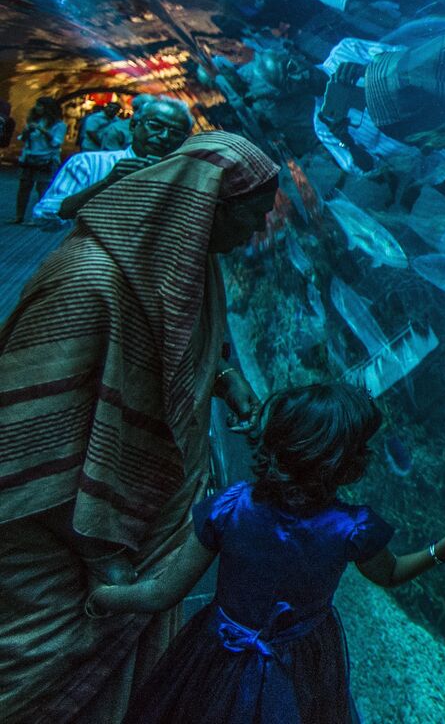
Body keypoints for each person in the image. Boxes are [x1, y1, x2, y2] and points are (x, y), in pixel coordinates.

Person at [0, 131, 276, 722]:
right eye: (250, 216)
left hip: (134, 527)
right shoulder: (86, 283)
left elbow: (166, 358)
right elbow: (24, 437)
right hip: (59, 542)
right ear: (209, 207)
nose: (255, 233)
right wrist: (102, 550)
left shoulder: (187, 267)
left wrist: (223, 376)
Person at [87, 383, 445, 723]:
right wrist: (443, 548)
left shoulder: (230, 508)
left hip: (218, 655)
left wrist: (102, 597)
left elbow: (162, 593)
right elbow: (390, 573)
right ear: (344, 464)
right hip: (305, 661)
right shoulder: (353, 528)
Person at [31, 97, 194, 223]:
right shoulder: (88, 163)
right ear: (133, 126)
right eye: (155, 126)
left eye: (176, 133)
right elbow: (47, 216)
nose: (164, 137)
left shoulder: (188, 176)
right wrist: (107, 182)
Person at [13, 96, 68, 224]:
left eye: (40, 105)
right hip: (29, 157)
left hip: (46, 159)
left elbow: (56, 143)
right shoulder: (34, 120)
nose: (37, 108)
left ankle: (37, 217)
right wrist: (28, 131)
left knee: (42, 189)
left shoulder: (59, 125)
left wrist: (42, 131)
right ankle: (19, 216)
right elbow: (24, 139)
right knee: (23, 188)